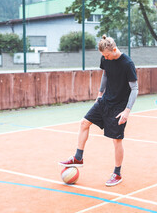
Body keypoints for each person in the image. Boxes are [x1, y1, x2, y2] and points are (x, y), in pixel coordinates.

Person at [59, 35, 139, 187]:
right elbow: (105, 75)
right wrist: (99, 94)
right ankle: (78, 157)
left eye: (107, 55)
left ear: (114, 49)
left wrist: (127, 111)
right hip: (105, 101)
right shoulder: (105, 59)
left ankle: (117, 173)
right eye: (103, 56)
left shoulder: (127, 64)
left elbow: (134, 88)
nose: (105, 59)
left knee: (116, 140)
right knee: (84, 123)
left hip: (119, 106)